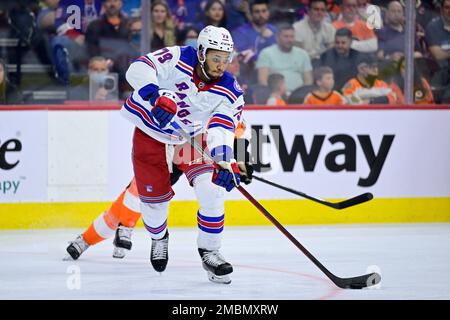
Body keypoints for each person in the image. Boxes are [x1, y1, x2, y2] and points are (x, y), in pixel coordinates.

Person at [68, 25, 246, 285]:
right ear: (201, 53)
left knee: (212, 191)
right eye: (215, 58)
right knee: (149, 204)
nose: (220, 65)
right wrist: (155, 95)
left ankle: (210, 251)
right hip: (151, 135)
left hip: (189, 141)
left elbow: (222, 128)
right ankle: (156, 237)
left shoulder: (230, 90)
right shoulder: (177, 56)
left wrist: (224, 161)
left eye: (225, 59)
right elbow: (137, 69)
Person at [256, 23, 313, 95]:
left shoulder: (303, 54)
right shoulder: (266, 53)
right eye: (286, 36)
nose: (289, 40)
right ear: (277, 38)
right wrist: (272, 96)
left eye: (292, 37)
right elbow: (262, 80)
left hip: (299, 97)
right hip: (275, 96)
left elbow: (308, 81)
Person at [293, 0, 336, 65]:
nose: (319, 12)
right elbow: (298, 55)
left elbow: (331, 53)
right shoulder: (297, 28)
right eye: (316, 9)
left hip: (324, 66)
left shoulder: (330, 29)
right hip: (303, 66)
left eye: (323, 10)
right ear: (308, 10)